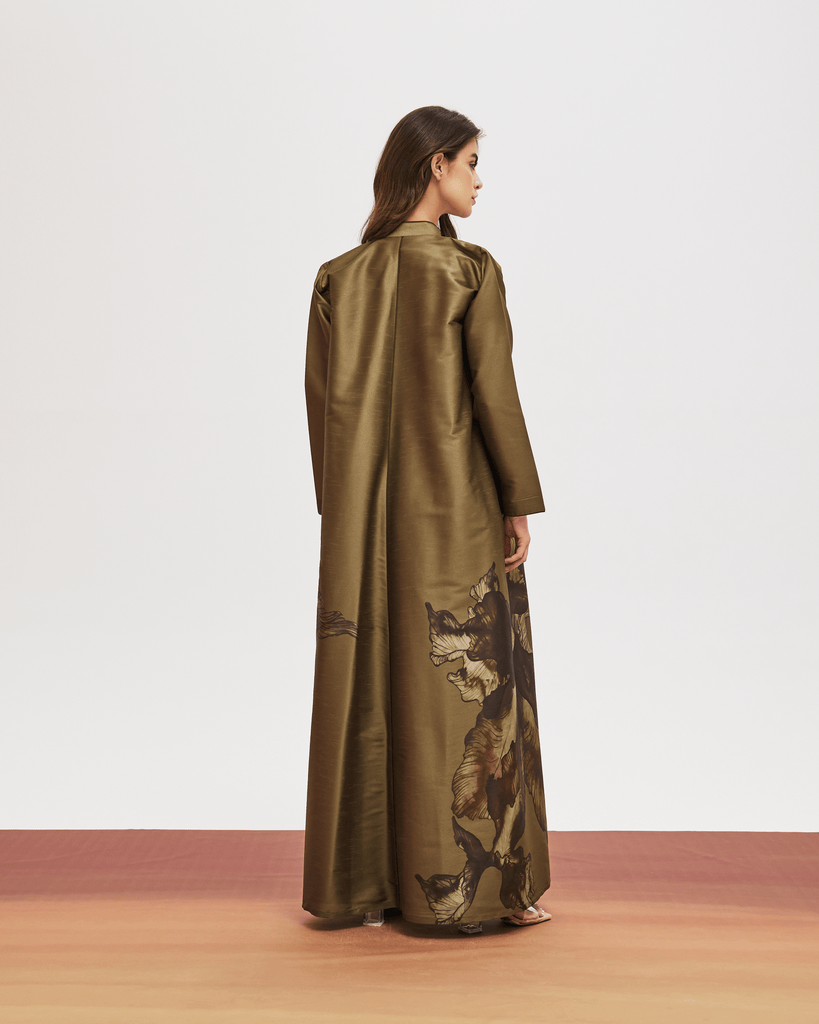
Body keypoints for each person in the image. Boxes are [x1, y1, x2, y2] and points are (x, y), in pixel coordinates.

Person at [302, 106, 551, 934]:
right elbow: (494, 394)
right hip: (455, 509)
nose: (479, 179)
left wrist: (344, 512)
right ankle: (489, 891)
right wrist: (516, 501)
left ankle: (366, 888)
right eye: (471, 161)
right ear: (435, 165)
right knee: (469, 687)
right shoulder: (468, 270)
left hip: (363, 522)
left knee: (373, 680)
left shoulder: (339, 277)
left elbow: (322, 414)